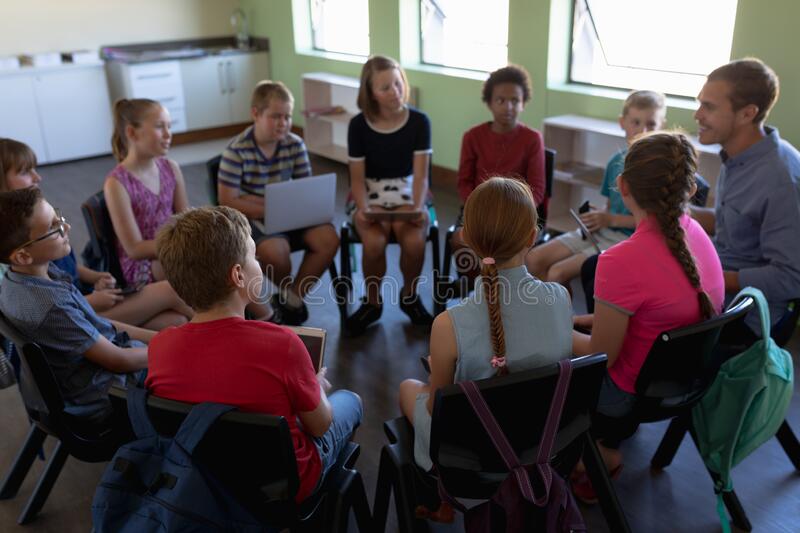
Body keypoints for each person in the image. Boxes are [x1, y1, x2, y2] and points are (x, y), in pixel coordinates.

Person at [147, 205, 362, 503]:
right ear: (237, 275)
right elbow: (320, 424)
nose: (259, 264)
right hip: (280, 487)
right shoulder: (282, 343)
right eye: (254, 257)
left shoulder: (160, 347)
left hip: (200, 485)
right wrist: (318, 387)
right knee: (350, 402)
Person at [571, 131, 724, 502]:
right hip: (687, 384)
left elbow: (601, 359)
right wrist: (594, 320)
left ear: (621, 185)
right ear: (689, 190)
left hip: (627, 397)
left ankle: (596, 456)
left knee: (532, 353)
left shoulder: (619, 261)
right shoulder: (696, 233)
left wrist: (554, 328)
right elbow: (659, 312)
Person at [398, 177, 573, 472]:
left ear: (465, 238)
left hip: (473, 456)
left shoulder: (448, 325)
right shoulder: (560, 297)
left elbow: (434, 408)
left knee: (408, 388)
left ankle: (437, 494)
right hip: (538, 442)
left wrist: (441, 370)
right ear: (532, 236)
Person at [0, 138, 190, 330]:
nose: (37, 177)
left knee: (176, 321)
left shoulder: (39, 227)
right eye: (25, 172)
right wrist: (91, 301)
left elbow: (65, 267)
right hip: (78, 312)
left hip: (84, 300)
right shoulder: (20, 238)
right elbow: (51, 307)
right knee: (170, 293)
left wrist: (95, 276)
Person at [0, 187, 151, 421]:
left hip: (86, 375)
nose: (66, 227)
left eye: (57, 217)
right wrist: (173, 350)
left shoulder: (16, 280)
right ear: (22, 256)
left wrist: (162, 339)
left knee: (172, 326)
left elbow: (96, 323)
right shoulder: (51, 305)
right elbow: (118, 361)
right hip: (106, 392)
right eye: (52, 227)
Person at [691, 58, 800, 342]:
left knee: (635, 310)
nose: (697, 115)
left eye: (709, 107)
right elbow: (732, 226)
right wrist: (671, 212)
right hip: (717, 284)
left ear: (747, 114)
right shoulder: (738, 155)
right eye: (699, 103)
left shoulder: (781, 178)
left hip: (745, 314)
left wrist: (706, 276)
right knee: (600, 268)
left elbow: (790, 278)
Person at [217, 81, 339, 325]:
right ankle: (287, 299)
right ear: (256, 114)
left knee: (329, 239)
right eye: (275, 116)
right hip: (257, 219)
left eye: (287, 116)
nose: (283, 123)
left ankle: (290, 299)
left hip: (289, 213)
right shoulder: (237, 150)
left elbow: (305, 188)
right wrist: (270, 206)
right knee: (276, 253)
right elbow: (227, 201)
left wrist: (256, 199)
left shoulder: (295, 144)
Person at [526, 90, 667, 287]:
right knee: (533, 259)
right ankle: (556, 311)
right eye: (636, 122)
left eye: (651, 124)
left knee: (557, 272)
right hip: (603, 230)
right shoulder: (615, 161)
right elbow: (610, 207)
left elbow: (656, 222)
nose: (643, 130)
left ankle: (564, 316)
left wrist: (610, 219)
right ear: (622, 123)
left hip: (630, 240)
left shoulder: (660, 168)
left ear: (662, 126)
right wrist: (598, 216)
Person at [345, 55, 434, 336]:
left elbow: (420, 176)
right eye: (385, 88)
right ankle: (372, 302)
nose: (395, 92)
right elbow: (357, 179)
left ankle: (410, 297)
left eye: (398, 83)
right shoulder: (358, 125)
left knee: (413, 241)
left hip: (410, 191)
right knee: (373, 241)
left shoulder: (420, 121)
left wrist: (417, 207)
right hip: (369, 192)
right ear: (370, 93)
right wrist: (364, 208)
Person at [451, 65, 546, 284]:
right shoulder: (472, 137)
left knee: (512, 248)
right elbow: (464, 183)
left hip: (519, 213)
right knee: (459, 241)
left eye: (515, 100)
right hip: (478, 210)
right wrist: (481, 207)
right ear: (489, 102)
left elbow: (537, 190)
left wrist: (511, 211)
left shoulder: (532, 139)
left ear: (523, 103)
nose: (508, 107)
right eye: (501, 100)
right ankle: (478, 290)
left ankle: (506, 292)